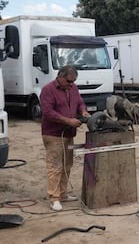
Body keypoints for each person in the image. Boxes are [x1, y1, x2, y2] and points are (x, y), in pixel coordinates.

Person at [40, 65, 90, 211]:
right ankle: (54, 198)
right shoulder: (48, 90)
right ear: (60, 77)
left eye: (73, 81)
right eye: (69, 81)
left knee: (67, 165)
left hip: (68, 134)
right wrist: (68, 121)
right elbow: (48, 112)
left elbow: (79, 102)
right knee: (55, 166)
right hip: (53, 134)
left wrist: (83, 111)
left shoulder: (73, 88)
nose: (71, 84)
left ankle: (63, 193)